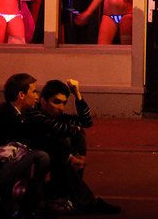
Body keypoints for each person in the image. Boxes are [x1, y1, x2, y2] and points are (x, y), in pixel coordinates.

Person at [26, 78, 120, 214]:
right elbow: (59, 128)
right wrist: (71, 156)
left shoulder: (60, 117)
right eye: (56, 102)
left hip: (57, 165)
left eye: (64, 103)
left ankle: (68, 193)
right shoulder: (35, 114)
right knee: (67, 138)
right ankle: (86, 201)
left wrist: (77, 95)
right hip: (36, 161)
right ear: (43, 101)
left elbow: (87, 122)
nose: (61, 107)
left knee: (79, 133)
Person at [0, 73, 50, 215]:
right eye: (34, 92)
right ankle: (29, 200)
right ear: (21, 95)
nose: (37, 96)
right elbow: (29, 142)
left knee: (39, 155)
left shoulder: (13, 113)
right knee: (40, 157)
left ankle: (30, 197)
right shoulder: (4, 116)